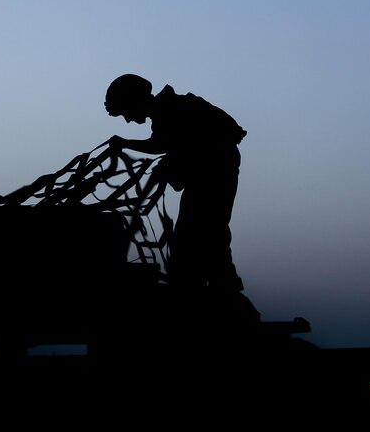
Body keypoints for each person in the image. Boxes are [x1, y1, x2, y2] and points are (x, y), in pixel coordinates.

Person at [104, 74, 256, 319]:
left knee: (202, 232)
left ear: (135, 101)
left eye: (126, 112)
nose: (129, 119)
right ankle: (215, 290)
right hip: (210, 177)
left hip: (213, 177)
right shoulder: (169, 111)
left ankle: (217, 294)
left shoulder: (173, 110)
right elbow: (165, 144)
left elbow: (166, 144)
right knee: (200, 233)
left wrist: (126, 144)